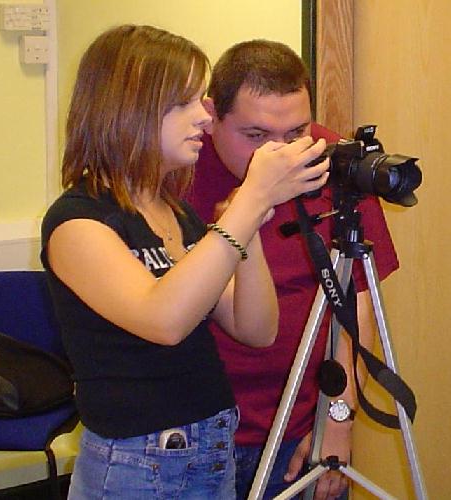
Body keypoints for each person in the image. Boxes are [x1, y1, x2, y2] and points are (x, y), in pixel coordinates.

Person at [40, 26, 330, 500]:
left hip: (209, 450)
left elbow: (256, 328)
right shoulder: (78, 220)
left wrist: (250, 221)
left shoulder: (174, 211)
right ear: (128, 108)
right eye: (185, 103)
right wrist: (248, 204)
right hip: (138, 463)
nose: (204, 117)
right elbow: (165, 320)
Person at [188, 40, 399, 499]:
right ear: (211, 116)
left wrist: (338, 420)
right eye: (256, 136)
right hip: (194, 431)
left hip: (300, 430)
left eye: (295, 132)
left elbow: (356, 309)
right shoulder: (178, 163)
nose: (281, 155)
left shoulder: (335, 163)